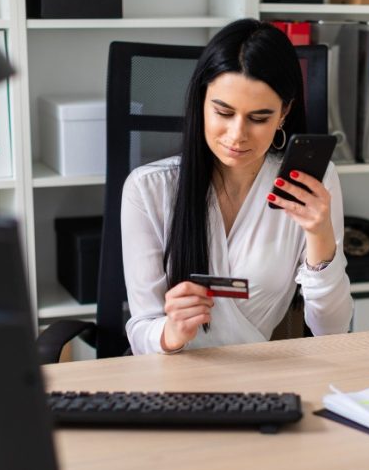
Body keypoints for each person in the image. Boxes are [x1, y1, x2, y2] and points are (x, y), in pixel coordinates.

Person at [121, 18, 352, 355]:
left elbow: (333, 330)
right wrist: (172, 331)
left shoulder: (310, 184)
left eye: (258, 118)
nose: (236, 135)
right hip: (174, 377)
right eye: (223, 112)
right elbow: (141, 332)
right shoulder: (148, 190)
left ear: (284, 113)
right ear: (202, 102)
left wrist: (320, 237)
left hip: (258, 379)